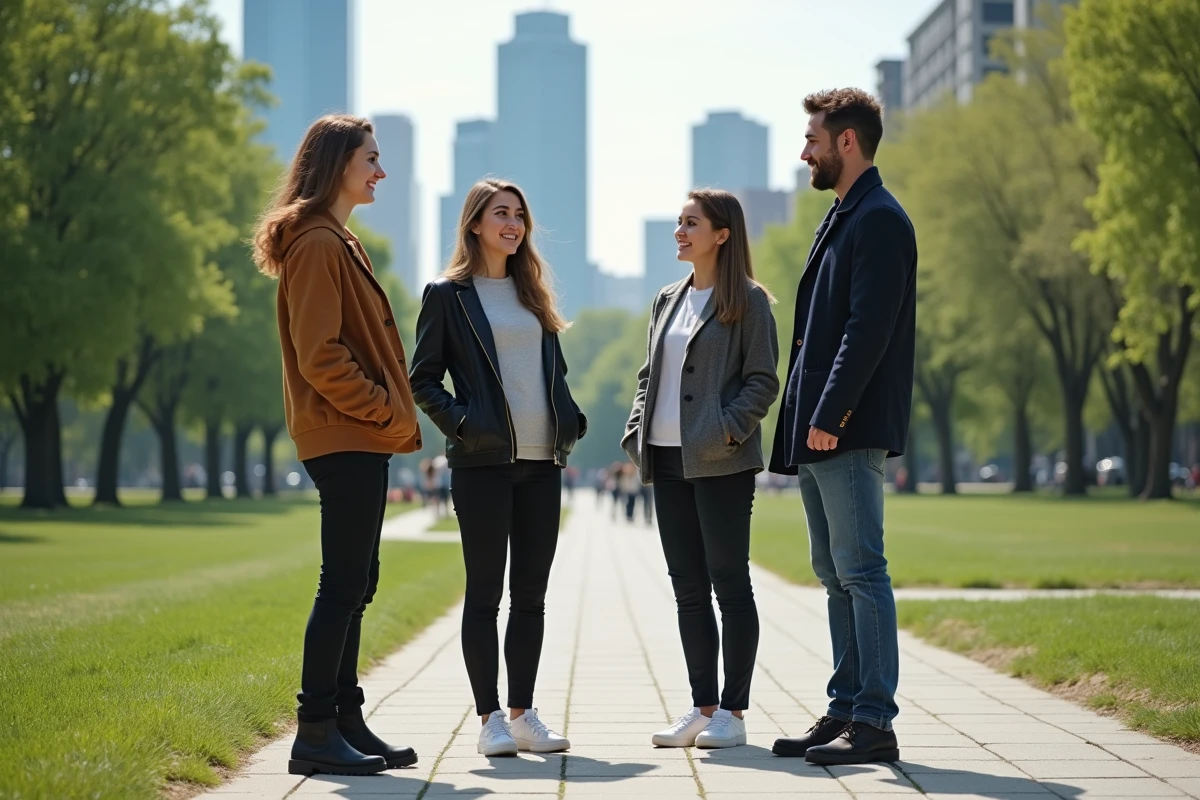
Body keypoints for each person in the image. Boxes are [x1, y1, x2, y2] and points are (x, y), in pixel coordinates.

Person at [252, 114, 423, 776]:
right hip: (347, 431)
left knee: (360, 580)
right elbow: (321, 356)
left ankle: (345, 719)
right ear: (338, 165)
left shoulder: (337, 239)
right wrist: (382, 410)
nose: (381, 171)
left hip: (357, 433)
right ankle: (315, 730)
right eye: (371, 159)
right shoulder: (320, 243)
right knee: (343, 581)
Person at [409, 178, 587, 757]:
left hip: (542, 464)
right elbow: (423, 380)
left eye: (519, 215)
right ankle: (488, 719)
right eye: (500, 214)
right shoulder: (448, 295)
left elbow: (550, 374)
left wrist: (570, 417)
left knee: (530, 596)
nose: (512, 224)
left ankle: (524, 714)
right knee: (484, 592)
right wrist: (465, 425)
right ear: (475, 224)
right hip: (482, 465)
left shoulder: (532, 292)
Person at [768, 89, 917, 766]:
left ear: (846, 141)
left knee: (861, 569)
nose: (805, 152)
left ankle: (876, 722)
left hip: (843, 427)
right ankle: (846, 705)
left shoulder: (880, 219)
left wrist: (830, 414)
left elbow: (867, 330)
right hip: (817, 427)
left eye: (812, 140)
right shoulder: (844, 216)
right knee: (833, 571)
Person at [622, 189, 779, 750]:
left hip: (722, 462)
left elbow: (763, 380)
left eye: (691, 223)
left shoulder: (750, 301)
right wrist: (636, 428)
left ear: (722, 234)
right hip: (665, 461)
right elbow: (649, 376)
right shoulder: (667, 298)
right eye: (678, 222)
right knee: (687, 588)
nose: (679, 232)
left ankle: (733, 713)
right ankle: (701, 705)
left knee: (729, 583)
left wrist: (727, 429)